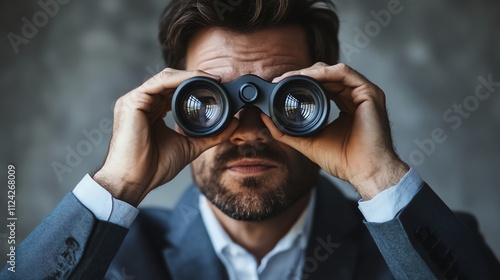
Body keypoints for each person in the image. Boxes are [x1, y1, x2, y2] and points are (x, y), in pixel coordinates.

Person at [2, 0, 500, 279]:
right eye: (208, 100)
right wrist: (117, 184)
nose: (246, 128)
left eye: (286, 99)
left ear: (325, 95)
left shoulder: (414, 247)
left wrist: (377, 176)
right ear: (171, 100)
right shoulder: (121, 260)